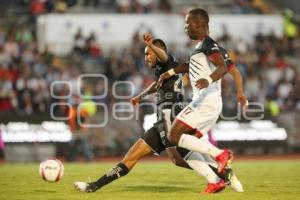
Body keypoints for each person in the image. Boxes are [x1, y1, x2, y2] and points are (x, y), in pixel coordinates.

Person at [74, 34, 243, 194]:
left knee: (180, 155)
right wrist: (142, 96)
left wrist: (150, 45)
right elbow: (158, 84)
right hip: (162, 118)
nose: (146, 57)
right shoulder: (163, 71)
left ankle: (221, 173)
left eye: (148, 54)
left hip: (170, 114)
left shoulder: (166, 62)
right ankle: (94, 186)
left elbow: (163, 56)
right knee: (141, 156)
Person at [157, 8, 243, 174]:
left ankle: (221, 155)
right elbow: (189, 66)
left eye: (187, 23)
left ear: (197, 24)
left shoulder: (207, 44)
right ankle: (221, 177)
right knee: (184, 146)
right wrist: (169, 73)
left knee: (173, 136)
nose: (185, 27)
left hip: (204, 102)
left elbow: (223, 67)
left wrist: (209, 79)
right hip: (209, 103)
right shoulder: (206, 47)